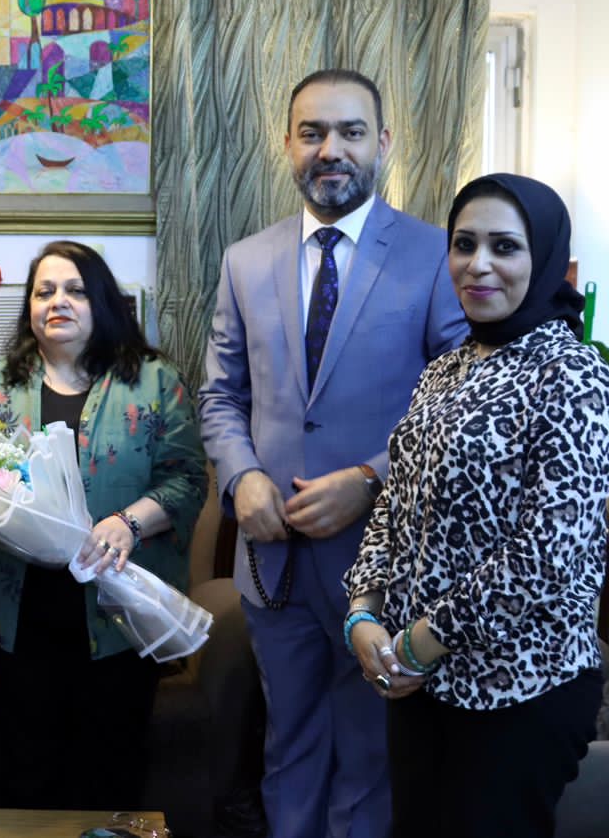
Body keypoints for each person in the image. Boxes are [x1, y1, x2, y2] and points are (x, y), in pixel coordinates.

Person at [198, 68, 467, 838]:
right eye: (312, 133)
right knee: (288, 747)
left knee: (370, 756)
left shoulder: (435, 256)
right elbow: (220, 396)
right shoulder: (245, 261)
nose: (331, 149)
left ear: (383, 143)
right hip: (272, 557)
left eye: (350, 132)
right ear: (287, 144)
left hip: (384, 562)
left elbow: (456, 404)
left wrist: (370, 480)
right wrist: (243, 478)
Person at [343, 174, 608, 838]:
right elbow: (395, 501)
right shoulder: (446, 367)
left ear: (544, 258)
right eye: (464, 244)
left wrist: (420, 642)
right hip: (420, 681)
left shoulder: (572, 373)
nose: (478, 264)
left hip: (520, 686)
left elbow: (548, 552)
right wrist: (362, 613)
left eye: (504, 247)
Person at [0, 241, 206, 811]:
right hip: (19, 616)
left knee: (112, 775)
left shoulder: (154, 380)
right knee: (25, 777)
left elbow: (187, 479)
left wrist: (129, 522)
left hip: (118, 614)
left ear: (102, 302)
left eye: (75, 290)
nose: (58, 301)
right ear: (29, 307)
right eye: (44, 291)